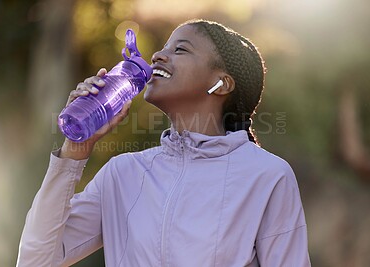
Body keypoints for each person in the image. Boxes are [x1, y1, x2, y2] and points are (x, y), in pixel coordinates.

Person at [17, 19, 311, 267]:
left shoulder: (267, 176)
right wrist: (75, 150)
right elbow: (36, 260)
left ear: (221, 84)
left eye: (180, 49)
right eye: (164, 47)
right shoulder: (123, 173)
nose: (158, 54)